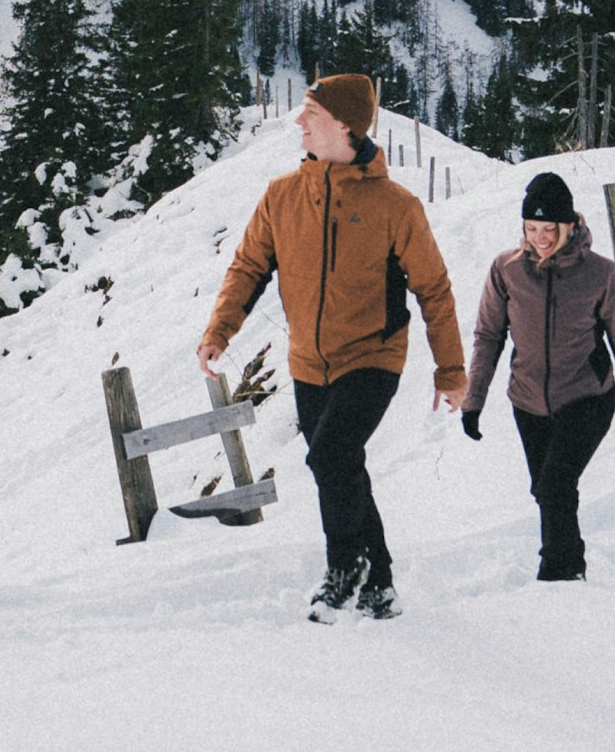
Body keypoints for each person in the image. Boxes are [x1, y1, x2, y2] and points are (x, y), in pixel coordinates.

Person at [197, 74, 469, 624]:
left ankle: (344, 568)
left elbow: (434, 289)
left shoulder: (396, 206)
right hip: (308, 361)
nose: (299, 121)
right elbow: (249, 266)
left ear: (345, 127)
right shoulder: (282, 196)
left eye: (311, 114)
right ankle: (381, 584)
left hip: (373, 356)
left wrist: (450, 369)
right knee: (342, 466)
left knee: (330, 456)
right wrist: (219, 331)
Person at [453, 172, 615, 582]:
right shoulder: (507, 270)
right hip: (528, 401)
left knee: (555, 486)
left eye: (549, 229)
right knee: (547, 491)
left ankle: (558, 574)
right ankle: (570, 571)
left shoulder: (600, 274)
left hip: (587, 397)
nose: (540, 238)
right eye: (532, 228)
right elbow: (488, 336)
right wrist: (474, 401)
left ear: (569, 225)